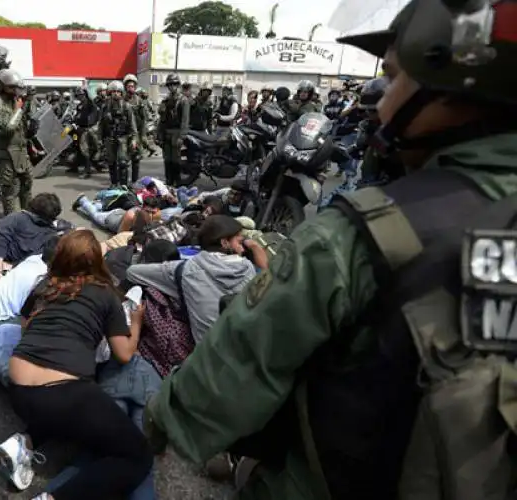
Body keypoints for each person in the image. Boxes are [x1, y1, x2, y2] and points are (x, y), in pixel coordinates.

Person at [143, 1, 517, 498]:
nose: (379, 101)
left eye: (393, 75)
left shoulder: (360, 234)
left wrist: (159, 425)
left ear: (449, 81)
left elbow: (234, 370)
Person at [0, 230, 153, 497]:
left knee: (62, 413)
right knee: (137, 456)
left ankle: (25, 441)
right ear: (96, 262)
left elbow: (25, 327)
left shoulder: (45, 286)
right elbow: (124, 353)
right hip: (65, 393)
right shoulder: (105, 294)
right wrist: (136, 323)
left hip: (19, 387)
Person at [127, 215, 265, 343]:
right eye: (240, 242)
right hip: (247, 350)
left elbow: (132, 272)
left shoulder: (184, 270)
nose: (243, 248)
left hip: (206, 358)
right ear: (224, 243)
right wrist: (255, 247)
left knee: (152, 292)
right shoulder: (249, 270)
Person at [0, 68, 32, 215]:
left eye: (16, 87)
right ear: (1, 86)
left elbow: (21, 128)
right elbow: (8, 128)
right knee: (9, 192)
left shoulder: (15, 101)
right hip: (7, 154)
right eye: (11, 87)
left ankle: (28, 217)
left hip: (21, 152)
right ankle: (11, 221)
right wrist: (19, 110)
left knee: (27, 186)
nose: (15, 91)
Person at [100, 80, 138, 187]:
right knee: (111, 162)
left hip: (123, 138)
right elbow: (101, 124)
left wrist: (134, 139)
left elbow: (132, 125)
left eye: (118, 91)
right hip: (110, 138)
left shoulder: (127, 107)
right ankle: (114, 183)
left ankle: (124, 185)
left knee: (122, 162)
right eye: (113, 91)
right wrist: (100, 139)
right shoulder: (105, 107)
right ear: (110, 93)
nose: (116, 93)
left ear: (121, 93)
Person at [157, 74, 190, 187]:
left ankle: (177, 183)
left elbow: (185, 120)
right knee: (167, 161)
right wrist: (159, 136)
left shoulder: (183, 100)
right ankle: (169, 182)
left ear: (178, 85)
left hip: (177, 133)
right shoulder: (165, 101)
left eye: (174, 84)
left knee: (176, 161)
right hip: (167, 133)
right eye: (170, 84)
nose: (172, 87)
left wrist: (182, 136)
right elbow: (162, 121)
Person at [74, 193, 160, 234]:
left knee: (99, 210)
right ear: (142, 208)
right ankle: (82, 200)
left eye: (153, 212)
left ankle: (96, 204)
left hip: (120, 213)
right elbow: (120, 235)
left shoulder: (156, 214)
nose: (150, 215)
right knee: (94, 215)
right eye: (147, 211)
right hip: (112, 219)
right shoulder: (131, 216)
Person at [124, 73, 147, 184]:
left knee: (136, 159)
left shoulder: (139, 101)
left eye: (132, 86)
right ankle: (123, 182)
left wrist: (142, 135)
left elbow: (144, 119)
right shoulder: (122, 100)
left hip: (136, 133)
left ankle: (134, 181)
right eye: (128, 86)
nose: (130, 88)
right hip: (124, 134)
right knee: (123, 160)